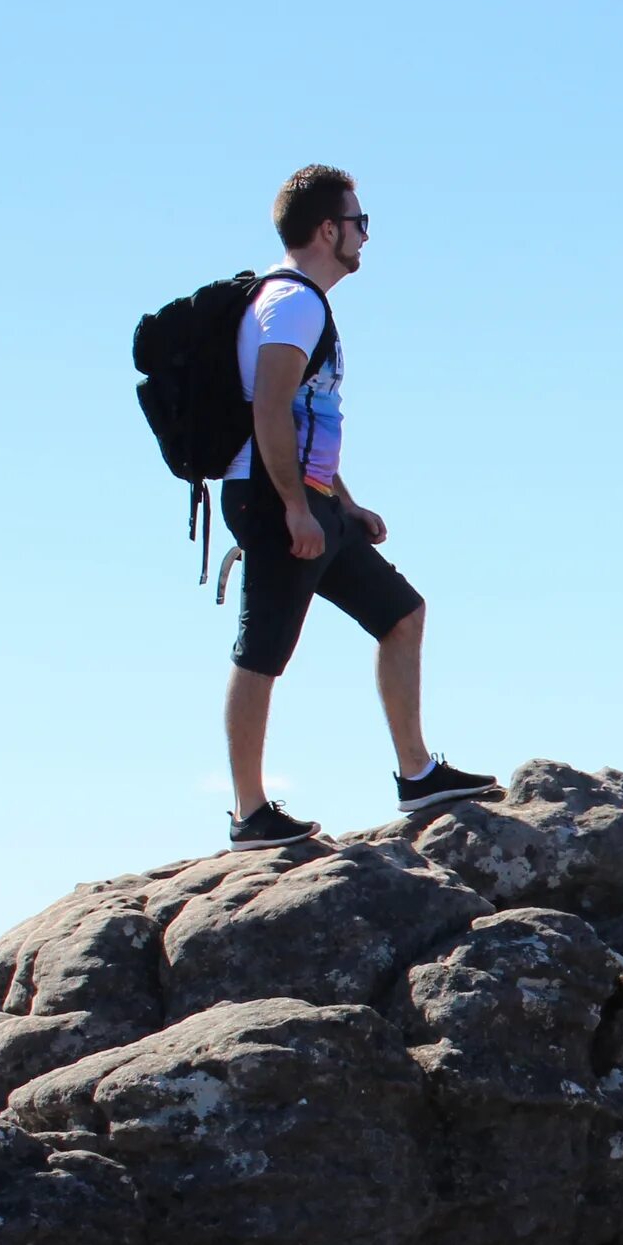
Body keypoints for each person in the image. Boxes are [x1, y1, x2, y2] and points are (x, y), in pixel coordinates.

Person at [217, 164, 500, 845]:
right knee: (263, 651)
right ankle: (249, 813)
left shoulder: (302, 302)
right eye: (359, 223)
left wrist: (342, 501)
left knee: (401, 613)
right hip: (272, 497)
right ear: (327, 230)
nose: (365, 237)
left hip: (307, 496)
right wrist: (293, 507)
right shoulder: (293, 305)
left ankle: (416, 772)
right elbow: (272, 410)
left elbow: (308, 415)